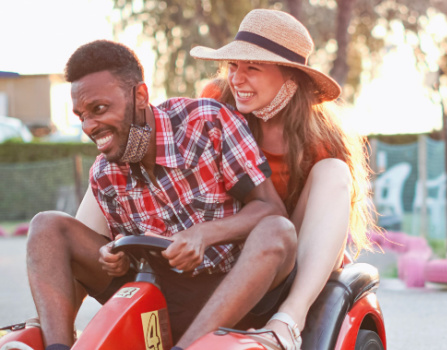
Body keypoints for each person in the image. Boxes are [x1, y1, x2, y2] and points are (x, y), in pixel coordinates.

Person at [74, 9, 376, 350]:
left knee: (333, 171)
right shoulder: (214, 103)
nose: (238, 79)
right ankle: (63, 313)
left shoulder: (319, 136)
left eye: (253, 68)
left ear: (291, 77)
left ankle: (289, 320)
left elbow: (323, 220)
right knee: (108, 166)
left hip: (280, 246)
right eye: (234, 66)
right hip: (221, 245)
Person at [26, 39, 298, 350]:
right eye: (81, 115)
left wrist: (204, 235)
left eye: (99, 109)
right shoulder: (105, 174)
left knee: (278, 231)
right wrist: (112, 258)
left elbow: (270, 208)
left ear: (140, 95)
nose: (90, 126)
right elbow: (131, 257)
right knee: (46, 226)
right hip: (160, 297)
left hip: (232, 290)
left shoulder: (207, 123)